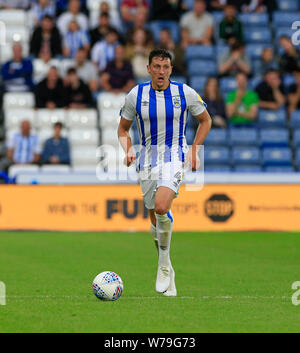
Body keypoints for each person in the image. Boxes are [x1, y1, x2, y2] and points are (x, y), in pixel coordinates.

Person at [117, 49, 212, 296]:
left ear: (171, 69)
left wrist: (193, 151)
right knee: (154, 221)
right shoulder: (136, 95)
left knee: (161, 207)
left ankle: (162, 265)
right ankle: (168, 265)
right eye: (156, 67)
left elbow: (206, 120)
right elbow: (122, 130)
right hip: (147, 161)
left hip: (175, 156)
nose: (161, 71)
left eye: (165, 67)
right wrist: (128, 150)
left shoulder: (185, 93)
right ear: (148, 69)